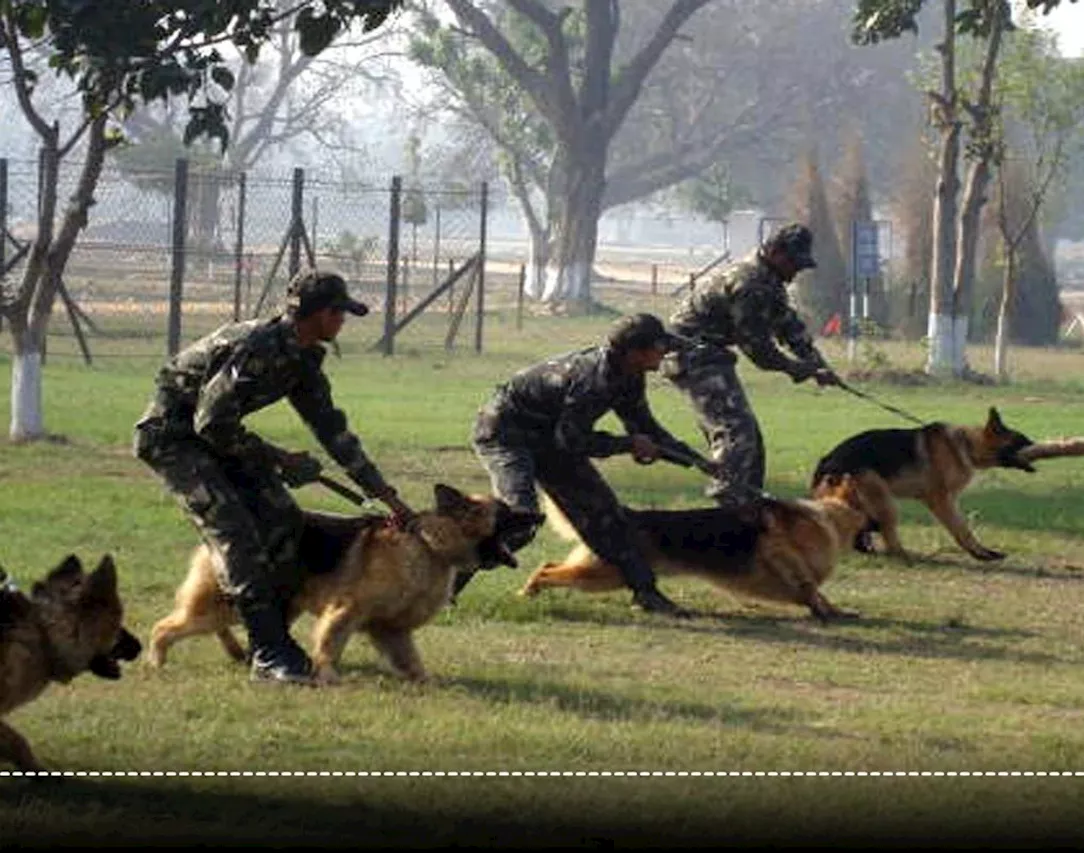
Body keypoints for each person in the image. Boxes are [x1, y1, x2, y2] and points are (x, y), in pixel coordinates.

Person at [133, 269, 418, 684]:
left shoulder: (301, 358)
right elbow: (210, 423)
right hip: (173, 440)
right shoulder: (256, 347)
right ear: (317, 314)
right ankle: (269, 654)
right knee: (237, 533)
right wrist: (278, 459)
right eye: (339, 313)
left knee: (284, 521)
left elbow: (333, 433)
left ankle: (271, 636)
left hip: (219, 440)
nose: (342, 323)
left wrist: (387, 497)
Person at [468, 313, 711, 617]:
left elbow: (644, 426)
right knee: (521, 519)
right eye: (659, 348)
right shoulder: (592, 380)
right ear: (634, 352)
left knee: (609, 518)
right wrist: (627, 445)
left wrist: (695, 460)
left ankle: (646, 593)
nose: (665, 355)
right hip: (507, 433)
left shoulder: (629, 374)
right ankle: (450, 579)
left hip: (552, 437)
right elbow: (573, 442)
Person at [664, 222, 842, 506]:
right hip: (691, 354)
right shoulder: (750, 283)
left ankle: (749, 503)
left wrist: (818, 364)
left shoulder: (770, 280)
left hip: (712, 354)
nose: (796, 271)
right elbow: (759, 351)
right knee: (735, 430)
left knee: (750, 437)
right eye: (793, 262)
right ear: (774, 252)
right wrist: (800, 370)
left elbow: (789, 326)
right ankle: (728, 505)